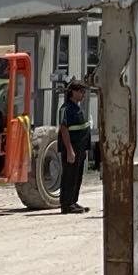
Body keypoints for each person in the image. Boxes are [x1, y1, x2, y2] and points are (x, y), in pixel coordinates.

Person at [57, 79, 91, 214]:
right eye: (81, 91)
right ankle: (66, 204)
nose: (83, 94)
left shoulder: (77, 108)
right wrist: (70, 150)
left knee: (77, 176)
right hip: (72, 148)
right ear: (73, 92)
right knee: (69, 176)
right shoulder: (66, 109)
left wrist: (85, 149)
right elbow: (64, 130)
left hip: (80, 148)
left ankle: (73, 201)